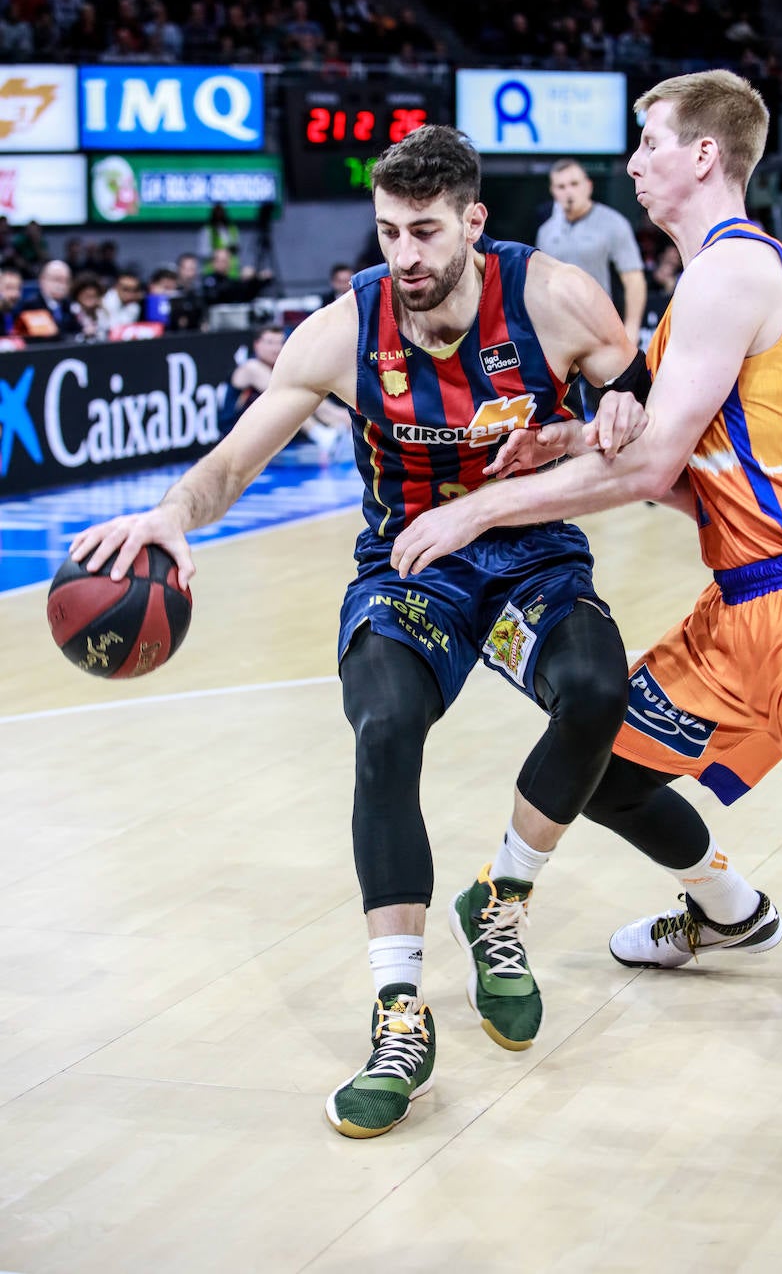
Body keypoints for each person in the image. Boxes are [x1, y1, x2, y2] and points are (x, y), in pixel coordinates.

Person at [68, 124, 643, 1140]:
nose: (405, 256)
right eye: (388, 233)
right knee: (382, 729)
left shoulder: (552, 296)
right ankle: (398, 1009)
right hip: (406, 568)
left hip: (530, 557)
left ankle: (500, 899)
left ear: (472, 219)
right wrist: (170, 513)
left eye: (424, 232)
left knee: (597, 692)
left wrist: (606, 415)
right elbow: (234, 464)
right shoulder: (343, 329)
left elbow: (631, 384)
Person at [391, 72, 782, 956]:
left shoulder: (734, 269)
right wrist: (566, 441)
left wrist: (482, 511)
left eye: (651, 144)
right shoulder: (696, 290)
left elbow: (649, 469)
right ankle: (727, 912)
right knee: (604, 770)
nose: (632, 164)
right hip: (737, 608)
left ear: (705, 155)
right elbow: (683, 481)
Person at [536, 158, 647, 346]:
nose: (568, 191)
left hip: (600, 330)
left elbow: (634, 279)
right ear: (553, 191)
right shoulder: (546, 231)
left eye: (574, 184)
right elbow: (540, 284)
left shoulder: (613, 223)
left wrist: (632, 327)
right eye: (561, 186)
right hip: (556, 333)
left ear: (588, 186)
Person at [218, 323, 351, 458]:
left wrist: (340, 415)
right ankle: (319, 434)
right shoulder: (250, 368)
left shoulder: (279, 368)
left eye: (280, 343)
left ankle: (345, 430)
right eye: (270, 343)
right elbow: (287, 396)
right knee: (290, 400)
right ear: (257, 345)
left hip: (267, 436)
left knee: (317, 401)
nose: (276, 348)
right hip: (237, 438)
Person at [12, 258, 80, 342]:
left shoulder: (71, 305)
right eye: (57, 279)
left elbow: (76, 332)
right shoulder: (30, 305)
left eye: (66, 281)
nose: (62, 286)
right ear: (42, 280)